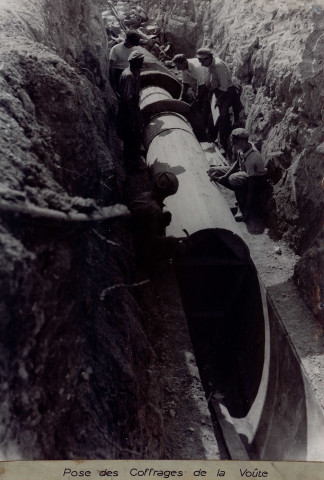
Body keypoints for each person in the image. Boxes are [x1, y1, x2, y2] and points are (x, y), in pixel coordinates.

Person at [130, 172, 187, 270]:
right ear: (168, 193)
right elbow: (151, 242)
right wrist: (171, 241)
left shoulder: (145, 195)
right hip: (139, 250)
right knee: (178, 246)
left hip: (133, 236)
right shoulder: (155, 211)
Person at [208, 128, 267, 221]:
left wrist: (247, 207)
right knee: (212, 170)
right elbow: (237, 162)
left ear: (242, 142)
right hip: (245, 173)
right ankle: (240, 196)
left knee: (233, 179)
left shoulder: (252, 157)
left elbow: (251, 183)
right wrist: (224, 176)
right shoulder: (244, 147)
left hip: (255, 182)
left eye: (235, 142)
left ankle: (242, 206)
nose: (233, 145)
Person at [196, 47, 243, 152]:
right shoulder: (211, 65)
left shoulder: (218, 66)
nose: (201, 64)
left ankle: (223, 145)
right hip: (217, 92)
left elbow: (224, 87)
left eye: (202, 61)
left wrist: (218, 101)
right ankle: (211, 140)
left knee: (221, 116)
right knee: (211, 117)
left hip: (226, 93)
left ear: (208, 58)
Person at [117, 49, 144, 171]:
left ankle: (133, 160)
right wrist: (133, 116)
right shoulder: (129, 75)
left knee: (135, 135)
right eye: (141, 61)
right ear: (136, 62)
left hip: (133, 107)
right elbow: (127, 98)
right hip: (128, 110)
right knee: (131, 136)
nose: (142, 63)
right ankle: (131, 165)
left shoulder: (135, 72)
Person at [172, 53, 210, 135]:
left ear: (184, 63)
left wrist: (196, 101)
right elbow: (185, 84)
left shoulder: (196, 67)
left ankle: (203, 130)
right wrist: (181, 98)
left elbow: (202, 86)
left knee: (204, 104)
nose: (177, 68)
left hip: (208, 81)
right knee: (196, 104)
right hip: (199, 82)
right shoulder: (184, 68)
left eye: (178, 66)